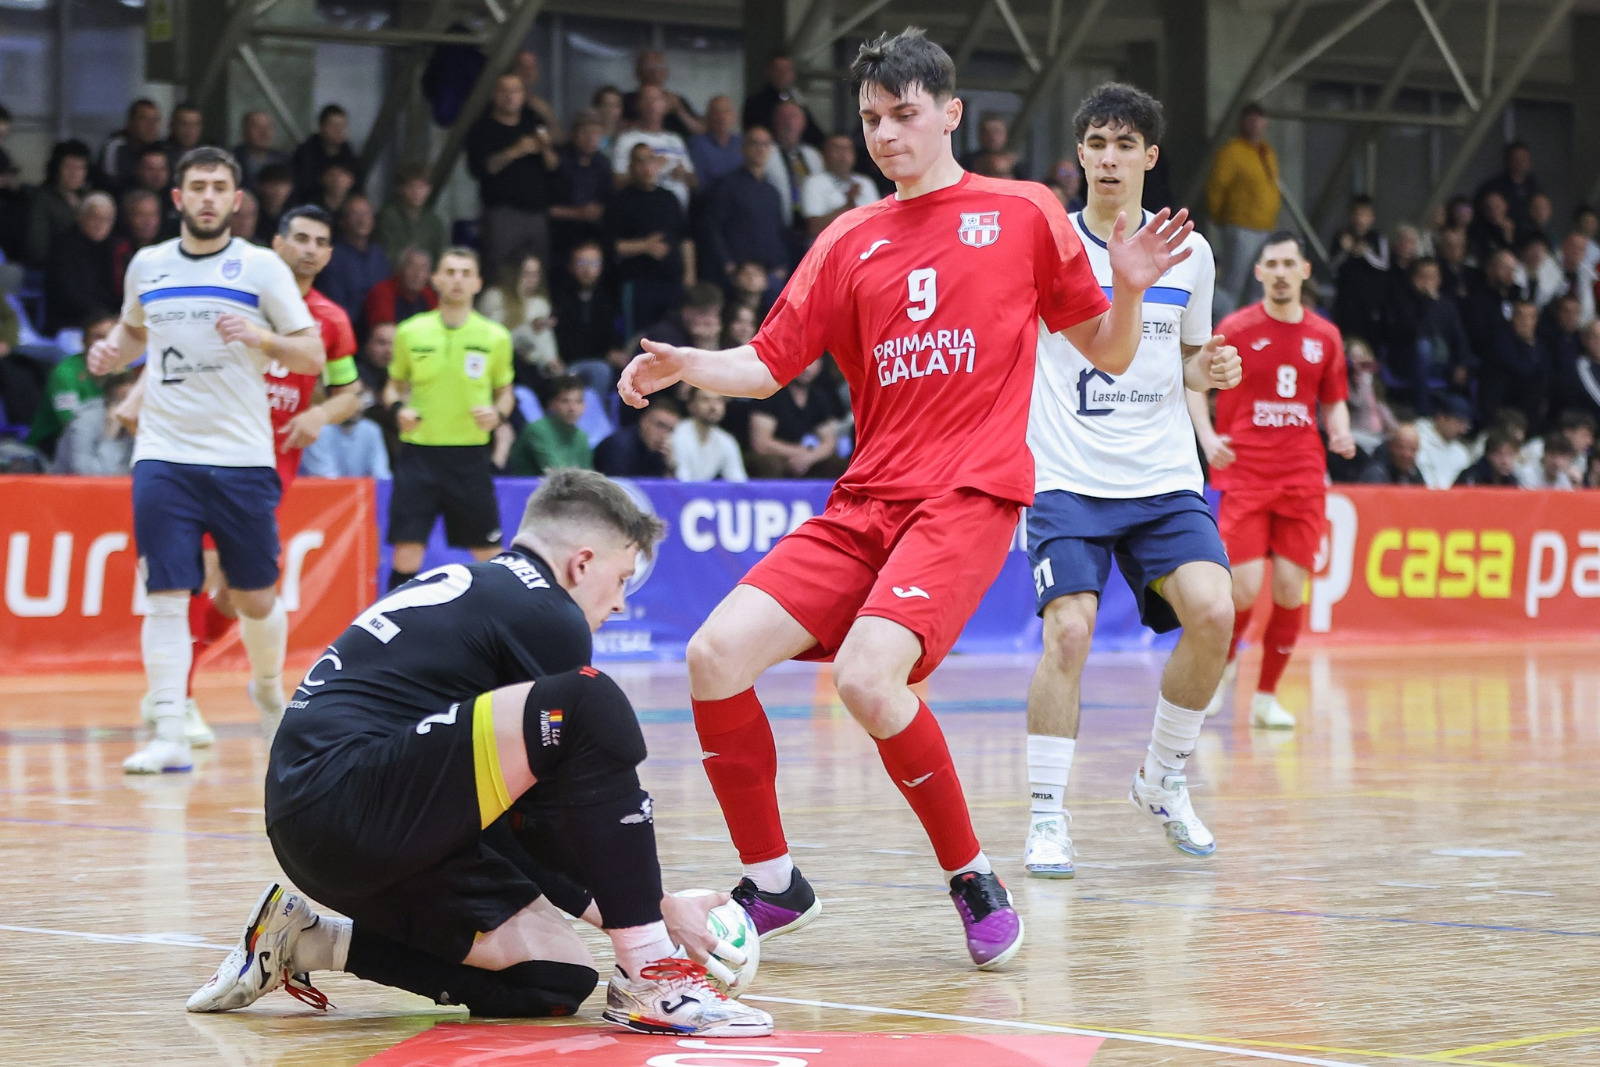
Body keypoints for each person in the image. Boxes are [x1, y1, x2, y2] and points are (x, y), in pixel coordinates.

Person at [617, 27, 1186, 970]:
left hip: (967, 497)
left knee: (869, 679)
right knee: (713, 655)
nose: (885, 134)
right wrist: (687, 364)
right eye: (872, 119)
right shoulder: (849, 237)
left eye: (904, 115)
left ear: (950, 114)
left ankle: (970, 872)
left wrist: (1125, 290)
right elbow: (766, 363)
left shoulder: (1024, 210)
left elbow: (1112, 351)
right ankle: (774, 881)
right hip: (864, 502)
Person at [187, 471, 773, 1037]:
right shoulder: (547, 612)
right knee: (589, 704)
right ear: (583, 563)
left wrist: (647, 904)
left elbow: (530, 824)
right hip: (346, 801)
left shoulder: (486, 590)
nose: (619, 603)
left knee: (552, 982)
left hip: (329, 822)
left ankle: (303, 939)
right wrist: (654, 918)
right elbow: (549, 823)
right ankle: (656, 980)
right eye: (622, 578)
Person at [1022, 84, 1239, 878]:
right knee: (1069, 631)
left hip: (1162, 477)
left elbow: (1191, 353)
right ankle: (1047, 815)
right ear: (1080, 154)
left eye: (1125, 144)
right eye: (1096, 143)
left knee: (1215, 611)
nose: (1109, 157)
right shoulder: (1049, 247)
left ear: (1150, 156)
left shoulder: (1194, 251)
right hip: (1067, 475)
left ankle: (1161, 777)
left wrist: (1211, 364)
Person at [87, 147, 326, 774]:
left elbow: (310, 357)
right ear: (178, 199)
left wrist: (262, 338)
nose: (209, 197)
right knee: (165, 593)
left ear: (237, 199)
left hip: (243, 457)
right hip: (163, 454)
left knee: (255, 596)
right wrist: (112, 350)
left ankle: (269, 689)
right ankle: (168, 727)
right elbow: (137, 330)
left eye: (220, 186)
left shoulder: (261, 268)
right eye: (197, 186)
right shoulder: (149, 264)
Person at [1189, 232, 1354, 729]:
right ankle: (1225, 667)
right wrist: (1208, 436)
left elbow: (1333, 398)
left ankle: (1265, 696)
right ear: (1259, 273)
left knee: (1288, 589)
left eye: (1289, 263)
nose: (1280, 272)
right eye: (1272, 264)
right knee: (1242, 589)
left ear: (1304, 271)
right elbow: (1193, 381)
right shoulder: (1237, 328)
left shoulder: (1325, 336)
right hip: (1246, 472)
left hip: (1302, 474)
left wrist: (1341, 431)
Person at [383, 248, 515, 591]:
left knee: (489, 554)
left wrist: (497, 414)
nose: (457, 279)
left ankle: (497, 634)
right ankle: (395, 636)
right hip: (419, 457)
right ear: (436, 279)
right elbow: (393, 389)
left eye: (465, 273)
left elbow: (506, 393)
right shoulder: (411, 332)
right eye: (450, 272)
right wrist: (400, 410)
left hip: (470, 457)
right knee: (406, 554)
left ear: (477, 283)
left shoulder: (495, 336)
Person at [466, 74, 560, 278]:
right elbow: (482, 168)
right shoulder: (483, 128)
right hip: (502, 214)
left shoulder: (532, 123)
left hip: (536, 214)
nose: (510, 96)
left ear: (523, 95)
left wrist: (544, 148)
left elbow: (554, 165)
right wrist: (515, 151)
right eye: (504, 91)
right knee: (499, 273)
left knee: (537, 275)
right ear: (495, 95)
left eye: (516, 91)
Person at [608, 144, 694, 333]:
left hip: (672, 282)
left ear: (658, 165)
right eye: (640, 161)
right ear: (631, 166)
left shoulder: (670, 198)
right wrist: (644, 246)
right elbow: (612, 246)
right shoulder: (620, 201)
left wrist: (689, 274)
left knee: (673, 338)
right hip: (639, 283)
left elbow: (685, 238)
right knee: (640, 339)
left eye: (650, 160)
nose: (646, 166)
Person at [1205, 103, 1279, 315]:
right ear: (1243, 123)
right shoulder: (1232, 152)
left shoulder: (1266, 151)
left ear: (1265, 123)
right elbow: (1216, 188)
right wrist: (1221, 219)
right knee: (1233, 284)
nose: (1256, 125)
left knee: (1260, 285)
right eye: (1251, 120)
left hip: (1266, 228)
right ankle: (1225, 331)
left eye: (1259, 120)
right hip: (1241, 227)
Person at [703, 128, 791, 292]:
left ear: (770, 150)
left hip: (770, 275)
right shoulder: (726, 185)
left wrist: (782, 264)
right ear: (743, 148)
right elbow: (712, 226)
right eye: (754, 143)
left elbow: (779, 231)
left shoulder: (772, 191)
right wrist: (726, 263)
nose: (760, 148)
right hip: (737, 274)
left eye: (765, 144)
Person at [28, 313, 118, 457]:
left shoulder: (123, 370)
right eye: (98, 337)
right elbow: (69, 421)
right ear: (83, 341)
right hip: (54, 442)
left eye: (111, 337)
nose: (105, 343)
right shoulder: (65, 372)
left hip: (106, 439)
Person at [745, 358, 846, 478]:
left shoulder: (819, 397)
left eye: (814, 361)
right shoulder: (770, 392)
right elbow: (761, 443)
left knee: (837, 464)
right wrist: (799, 453)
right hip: (775, 456)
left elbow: (829, 442)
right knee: (770, 464)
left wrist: (809, 457)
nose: (807, 367)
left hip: (806, 456)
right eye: (804, 358)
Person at [612, 85, 696, 213]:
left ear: (665, 105)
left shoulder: (675, 140)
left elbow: (694, 183)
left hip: (677, 213)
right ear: (638, 105)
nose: (652, 105)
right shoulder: (627, 140)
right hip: (643, 212)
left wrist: (683, 174)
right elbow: (618, 182)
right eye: (647, 100)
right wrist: (652, 169)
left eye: (657, 99)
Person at [44, 192, 119, 336]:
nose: (100, 224)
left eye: (106, 219)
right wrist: (103, 317)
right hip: (71, 325)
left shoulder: (115, 247)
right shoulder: (63, 247)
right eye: (94, 217)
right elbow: (67, 295)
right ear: (81, 217)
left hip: (108, 322)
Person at [553, 242, 625, 391]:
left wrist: (613, 353)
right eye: (581, 263)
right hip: (566, 365)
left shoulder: (607, 301)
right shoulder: (559, 300)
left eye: (594, 263)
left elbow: (611, 338)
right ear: (571, 267)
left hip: (600, 364)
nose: (587, 269)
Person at [480, 252, 560, 384]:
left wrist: (552, 360)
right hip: (503, 362)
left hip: (537, 366)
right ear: (513, 273)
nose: (532, 279)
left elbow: (544, 340)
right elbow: (492, 337)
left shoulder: (540, 304)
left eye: (536, 274)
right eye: (526, 274)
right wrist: (529, 329)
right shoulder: (494, 298)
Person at [316, 195, 389, 329]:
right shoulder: (333, 257)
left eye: (366, 214)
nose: (362, 220)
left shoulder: (379, 253)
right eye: (355, 214)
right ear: (343, 221)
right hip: (348, 328)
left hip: (379, 328)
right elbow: (335, 306)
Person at [549, 111, 612, 263]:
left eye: (596, 133)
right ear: (574, 134)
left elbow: (609, 199)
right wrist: (577, 213)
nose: (591, 138)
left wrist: (599, 210)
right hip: (561, 235)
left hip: (594, 235)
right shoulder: (559, 161)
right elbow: (545, 206)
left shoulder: (603, 163)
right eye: (585, 132)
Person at [53, 370, 137, 475]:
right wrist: (111, 435)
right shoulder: (85, 421)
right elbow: (86, 474)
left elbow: (135, 473)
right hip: (67, 487)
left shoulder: (136, 422)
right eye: (127, 397)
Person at [25, 139, 92, 267]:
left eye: (80, 168)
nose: (75, 174)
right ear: (57, 168)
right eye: (69, 167)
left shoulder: (88, 198)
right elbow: (38, 247)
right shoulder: (42, 199)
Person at [800, 135, 879, 241]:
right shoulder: (814, 182)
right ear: (824, 154)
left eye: (847, 149)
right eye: (837, 148)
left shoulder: (865, 182)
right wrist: (849, 203)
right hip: (830, 249)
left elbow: (880, 221)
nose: (843, 154)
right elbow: (814, 227)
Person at [509, 375, 591, 475]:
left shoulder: (581, 436)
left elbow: (588, 475)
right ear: (552, 404)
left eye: (578, 401)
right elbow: (557, 473)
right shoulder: (537, 430)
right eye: (565, 401)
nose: (572, 408)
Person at [300, 391, 393, 479]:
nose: (355, 405)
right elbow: (326, 479)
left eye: (359, 396)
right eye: (348, 399)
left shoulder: (371, 430)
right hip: (321, 492)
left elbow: (381, 475)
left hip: (361, 492)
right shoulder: (319, 430)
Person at [763, 102, 825, 229]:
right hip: (776, 224)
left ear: (803, 123)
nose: (789, 123)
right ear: (775, 122)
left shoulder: (813, 155)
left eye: (794, 117)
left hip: (810, 224)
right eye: (783, 117)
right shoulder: (766, 152)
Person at [743, 53, 826, 147]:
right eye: (778, 70)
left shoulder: (797, 100)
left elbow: (813, 132)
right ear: (768, 71)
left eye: (787, 70)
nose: (783, 74)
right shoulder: (756, 102)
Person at [375, 162, 447, 270]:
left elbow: (440, 255)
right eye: (411, 186)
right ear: (400, 189)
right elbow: (385, 253)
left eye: (422, 187)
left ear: (429, 190)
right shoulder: (387, 217)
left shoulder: (434, 221)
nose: (417, 192)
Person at [622, 49, 704, 139]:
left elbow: (699, 130)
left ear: (666, 72)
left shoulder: (677, 100)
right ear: (638, 71)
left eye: (659, 66)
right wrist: (646, 121)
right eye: (649, 67)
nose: (655, 72)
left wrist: (679, 111)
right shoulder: (626, 100)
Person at [291, 105, 363, 205]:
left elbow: (357, 184)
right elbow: (301, 185)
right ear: (322, 127)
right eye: (334, 126)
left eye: (343, 126)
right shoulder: (306, 153)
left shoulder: (349, 152)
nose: (339, 130)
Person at [593, 395, 680, 478]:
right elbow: (619, 486)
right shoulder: (620, 446)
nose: (665, 434)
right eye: (660, 425)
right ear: (644, 421)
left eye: (671, 430)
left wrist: (669, 466)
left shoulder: (661, 454)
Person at [673, 386, 746, 482]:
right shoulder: (678, 433)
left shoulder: (726, 440)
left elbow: (738, 481)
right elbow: (682, 479)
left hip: (704, 495)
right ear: (691, 405)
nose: (713, 406)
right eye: (705, 400)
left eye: (718, 400)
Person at [363, 246, 438, 331]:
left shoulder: (429, 295)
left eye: (423, 268)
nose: (417, 274)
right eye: (411, 266)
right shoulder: (382, 292)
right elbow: (385, 332)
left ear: (429, 274)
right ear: (400, 269)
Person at [100, 99, 163, 193]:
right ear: (131, 122)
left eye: (155, 120)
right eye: (145, 119)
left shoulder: (161, 148)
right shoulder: (116, 146)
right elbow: (110, 181)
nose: (151, 125)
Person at [1413, 393, 1474, 489]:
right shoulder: (1418, 441)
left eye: (1466, 424)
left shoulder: (1461, 453)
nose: (1463, 430)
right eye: (1459, 422)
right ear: (1441, 418)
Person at [689, 95, 744, 187]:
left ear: (735, 117)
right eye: (716, 112)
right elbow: (700, 184)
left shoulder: (742, 143)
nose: (722, 117)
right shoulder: (697, 144)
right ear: (707, 117)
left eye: (726, 112)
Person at [233, 111, 288, 193]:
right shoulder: (231, 160)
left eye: (268, 127)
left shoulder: (284, 161)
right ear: (245, 131)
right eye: (257, 127)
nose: (264, 133)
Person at [1358, 420, 1425, 485]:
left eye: (1412, 449)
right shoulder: (1376, 473)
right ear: (1391, 446)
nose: (1406, 454)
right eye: (1401, 447)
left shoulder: (1414, 473)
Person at [959, 115, 1021, 179]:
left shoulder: (1016, 164)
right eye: (987, 133)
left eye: (997, 132)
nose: (992, 137)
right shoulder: (966, 162)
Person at [1454, 428, 1521, 486]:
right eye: (1499, 454)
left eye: (1510, 455)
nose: (1505, 461)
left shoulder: (1512, 481)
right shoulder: (1471, 477)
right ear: (1489, 455)